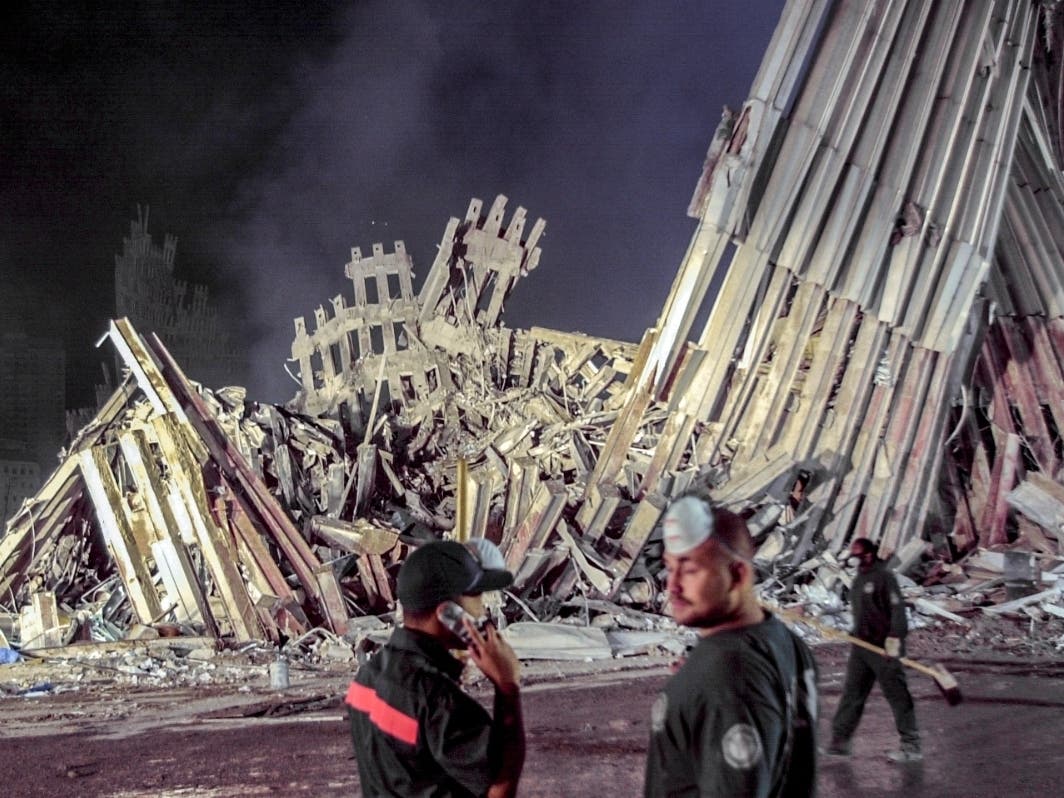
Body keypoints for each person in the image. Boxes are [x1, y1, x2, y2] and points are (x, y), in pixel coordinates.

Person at [644, 490, 819, 797]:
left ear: (737, 575)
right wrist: (696, 684)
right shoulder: (784, 641)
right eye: (670, 568)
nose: (671, 586)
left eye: (690, 569)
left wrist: (710, 683)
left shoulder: (726, 675)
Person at [346, 539, 525, 797]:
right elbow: (501, 789)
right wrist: (507, 686)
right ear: (448, 613)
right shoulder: (438, 700)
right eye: (476, 598)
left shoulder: (368, 675)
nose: (483, 609)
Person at [824, 537, 921, 763]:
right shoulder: (859, 580)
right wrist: (854, 633)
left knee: (897, 695)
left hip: (883, 647)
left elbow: (898, 612)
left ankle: (911, 745)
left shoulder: (884, 578)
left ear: (868, 555)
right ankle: (840, 743)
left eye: (856, 556)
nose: (852, 560)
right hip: (862, 647)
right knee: (852, 694)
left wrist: (894, 643)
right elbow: (864, 614)